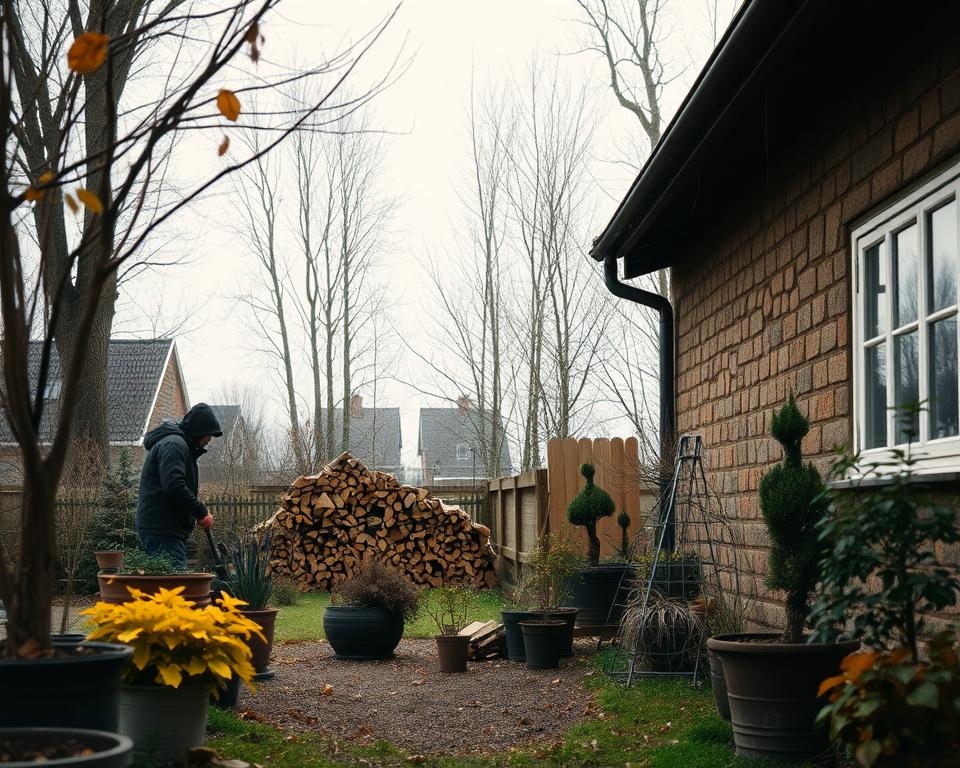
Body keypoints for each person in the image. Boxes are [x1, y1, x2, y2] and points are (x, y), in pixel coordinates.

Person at [136, 402, 222, 569]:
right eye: (209, 435)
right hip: (162, 530)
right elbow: (174, 485)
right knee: (174, 588)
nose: (209, 440)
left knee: (165, 587)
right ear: (200, 430)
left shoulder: (179, 445)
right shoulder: (174, 445)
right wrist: (200, 511)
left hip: (165, 530)